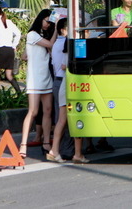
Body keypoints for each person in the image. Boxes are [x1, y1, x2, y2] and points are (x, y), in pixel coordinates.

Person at [47, 18, 89, 164]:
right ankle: (77, 154)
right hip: (72, 84)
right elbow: (67, 65)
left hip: (64, 84)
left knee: (62, 120)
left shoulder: (65, 43)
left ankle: (54, 150)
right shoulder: (77, 44)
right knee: (78, 118)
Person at [20, 9, 57, 158]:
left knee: (47, 110)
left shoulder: (39, 36)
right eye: (46, 21)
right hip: (35, 78)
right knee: (33, 111)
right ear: (40, 19)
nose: (48, 24)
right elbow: (50, 44)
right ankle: (23, 144)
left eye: (50, 22)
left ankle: (46, 142)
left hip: (45, 76)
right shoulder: (32, 34)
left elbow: (24, 56)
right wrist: (55, 31)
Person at [0, 4, 22, 93]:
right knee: (9, 75)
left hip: (1, 50)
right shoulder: (8, 22)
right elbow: (18, 33)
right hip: (10, 50)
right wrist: (14, 45)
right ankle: (19, 93)